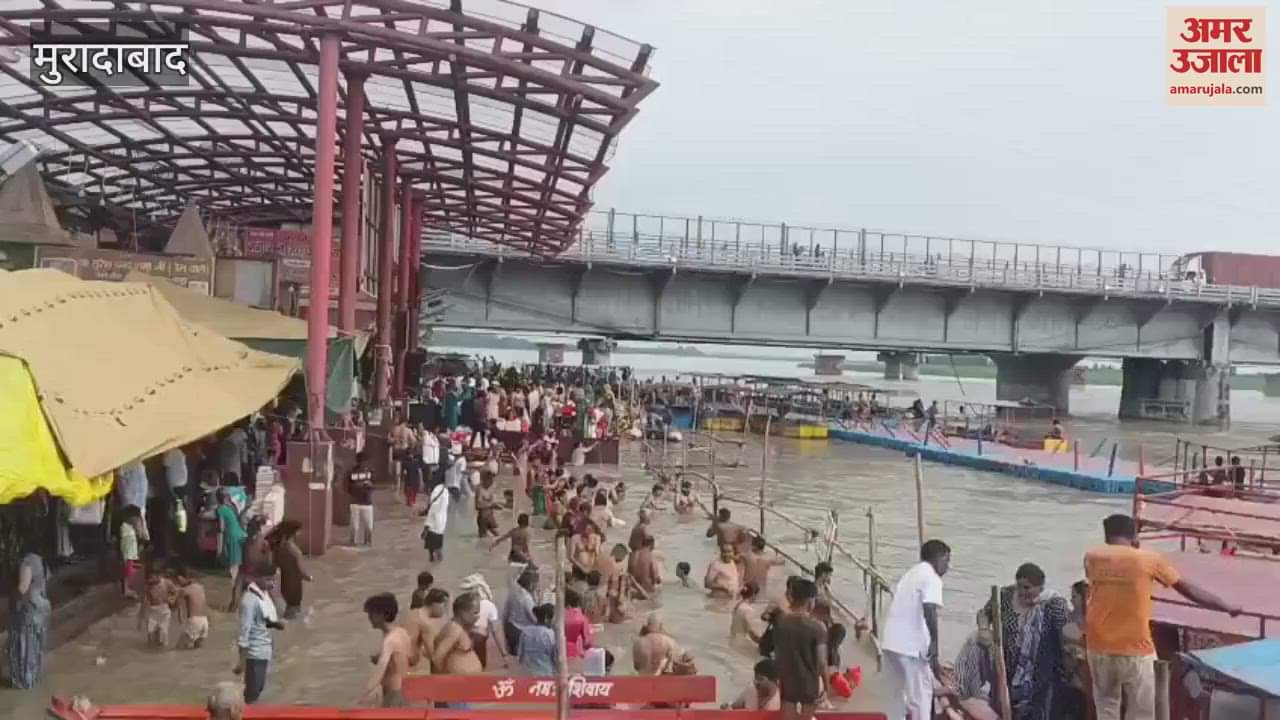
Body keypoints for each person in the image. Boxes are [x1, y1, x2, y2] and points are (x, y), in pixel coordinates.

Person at [1084, 514, 1240, 720]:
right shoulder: (1148, 559)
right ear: (1134, 536)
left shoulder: (1091, 557)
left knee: (1106, 707)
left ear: (1106, 536)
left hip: (1098, 645)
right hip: (1135, 647)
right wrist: (1226, 606)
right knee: (1141, 712)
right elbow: (1188, 590)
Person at [982, 562, 1070, 720]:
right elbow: (984, 614)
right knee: (1002, 706)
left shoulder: (1053, 603)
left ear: (1040, 587)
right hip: (1006, 666)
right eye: (1019, 586)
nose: (1022, 591)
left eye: (1027, 587)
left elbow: (1065, 632)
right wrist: (984, 629)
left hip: (1040, 671)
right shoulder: (1005, 596)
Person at [881, 539, 951, 720]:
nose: (947, 567)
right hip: (911, 646)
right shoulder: (931, 577)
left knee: (895, 695)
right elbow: (929, 608)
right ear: (938, 557)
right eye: (946, 561)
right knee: (921, 697)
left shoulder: (911, 574)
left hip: (891, 642)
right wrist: (934, 643)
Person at [772, 577, 828, 720]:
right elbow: (822, 662)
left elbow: (777, 653)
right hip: (809, 683)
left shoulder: (781, 623)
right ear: (810, 601)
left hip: (788, 681)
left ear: (792, 597)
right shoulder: (817, 627)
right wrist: (826, 688)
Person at [235, 573, 284, 704]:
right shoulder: (249, 600)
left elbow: (262, 621)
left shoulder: (263, 595)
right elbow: (244, 633)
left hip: (264, 650)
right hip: (254, 653)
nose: (272, 583)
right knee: (253, 693)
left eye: (273, 579)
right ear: (255, 578)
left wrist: (274, 624)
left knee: (259, 689)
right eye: (267, 579)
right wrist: (241, 662)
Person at [359, 593, 412, 707]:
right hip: (405, 690)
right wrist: (380, 657)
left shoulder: (389, 640)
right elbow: (406, 659)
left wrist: (364, 694)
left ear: (384, 615)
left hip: (394, 695)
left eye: (372, 614)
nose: (369, 619)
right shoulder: (402, 632)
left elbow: (379, 672)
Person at [7, 543, 49, 688]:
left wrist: (11, 598)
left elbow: (23, 587)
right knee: (36, 644)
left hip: (29, 607)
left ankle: (25, 681)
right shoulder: (41, 561)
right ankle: (33, 679)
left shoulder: (27, 561)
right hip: (41, 606)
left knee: (24, 643)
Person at [951, 608, 998, 708]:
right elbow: (963, 667)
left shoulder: (994, 639)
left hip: (985, 682)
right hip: (969, 684)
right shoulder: (972, 641)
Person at [1059, 581, 1090, 720]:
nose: (1071, 600)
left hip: (1088, 680)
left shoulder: (1093, 619)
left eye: (1074, 596)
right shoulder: (1070, 621)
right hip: (1078, 681)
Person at [432, 592, 485, 675]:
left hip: (469, 679)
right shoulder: (454, 629)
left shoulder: (462, 627)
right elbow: (437, 658)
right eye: (475, 613)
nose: (478, 616)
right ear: (462, 613)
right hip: (459, 680)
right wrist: (442, 679)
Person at [269, 520, 311, 620]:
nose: (300, 533)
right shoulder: (294, 551)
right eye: (299, 531)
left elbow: (274, 565)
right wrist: (310, 577)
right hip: (294, 584)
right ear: (293, 533)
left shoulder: (278, 548)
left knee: (290, 609)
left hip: (284, 585)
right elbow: (300, 571)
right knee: (293, 611)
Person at [459, 574, 502, 668]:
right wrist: (504, 654)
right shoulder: (489, 605)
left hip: (463, 639)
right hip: (479, 639)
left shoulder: (462, 603)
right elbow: (496, 630)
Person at [405, 588, 449, 671]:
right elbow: (433, 655)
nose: (445, 610)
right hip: (408, 665)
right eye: (444, 605)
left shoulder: (412, 613)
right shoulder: (425, 623)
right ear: (435, 604)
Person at [215, 489, 246, 597]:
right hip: (241, 534)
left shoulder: (220, 509)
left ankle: (235, 590)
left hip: (232, 536)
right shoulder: (230, 507)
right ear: (226, 498)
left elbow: (221, 527)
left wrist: (216, 532)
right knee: (238, 562)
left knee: (234, 564)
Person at [502, 567, 539, 655]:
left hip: (510, 628)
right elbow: (535, 619)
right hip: (521, 632)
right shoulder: (526, 598)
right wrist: (536, 598)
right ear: (531, 584)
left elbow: (505, 613)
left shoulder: (513, 592)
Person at [174, 566, 210, 650]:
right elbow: (204, 603)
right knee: (196, 649)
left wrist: (180, 619)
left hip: (194, 621)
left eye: (179, 580)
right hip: (205, 621)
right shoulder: (200, 587)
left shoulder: (183, 590)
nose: (178, 582)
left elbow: (178, 605)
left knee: (178, 649)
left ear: (184, 578)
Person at [518, 603, 558, 675]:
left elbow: (520, 657)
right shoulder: (550, 634)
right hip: (545, 673)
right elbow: (555, 658)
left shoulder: (525, 631)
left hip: (526, 673)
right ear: (547, 618)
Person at [142, 565, 176, 648]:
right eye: (149, 577)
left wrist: (172, 599)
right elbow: (146, 599)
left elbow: (175, 592)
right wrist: (143, 613)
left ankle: (162, 649)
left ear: (159, 575)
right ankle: (150, 648)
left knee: (163, 632)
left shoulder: (167, 582)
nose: (150, 579)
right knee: (150, 631)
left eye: (152, 577)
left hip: (164, 610)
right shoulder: (148, 585)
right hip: (153, 610)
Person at [347, 451, 375, 546]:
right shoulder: (353, 471)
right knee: (358, 525)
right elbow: (348, 486)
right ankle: (358, 541)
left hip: (363, 501)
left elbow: (374, 485)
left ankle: (364, 541)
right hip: (359, 502)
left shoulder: (370, 471)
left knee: (367, 525)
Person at [120, 504, 147, 599]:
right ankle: (127, 590)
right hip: (128, 555)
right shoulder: (126, 528)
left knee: (128, 572)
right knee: (128, 572)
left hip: (129, 554)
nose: (138, 520)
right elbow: (128, 543)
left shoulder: (126, 527)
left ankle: (127, 588)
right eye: (137, 518)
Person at [422, 476, 449, 563]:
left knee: (432, 544)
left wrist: (426, 527)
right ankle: (438, 560)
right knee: (438, 545)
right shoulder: (445, 491)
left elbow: (432, 511)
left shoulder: (435, 492)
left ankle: (432, 558)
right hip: (441, 522)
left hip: (434, 523)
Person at [563, 589, 595, 659]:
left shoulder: (559, 615)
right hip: (575, 653)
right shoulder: (582, 618)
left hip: (560, 650)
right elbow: (587, 642)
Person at [475, 473, 501, 538]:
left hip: (490, 516)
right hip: (483, 518)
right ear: (485, 480)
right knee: (483, 538)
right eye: (491, 481)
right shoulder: (480, 490)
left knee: (497, 535)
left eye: (493, 480)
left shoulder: (491, 488)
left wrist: (497, 505)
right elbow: (477, 506)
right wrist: (491, 505)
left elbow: (492, 502)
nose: (492, 482)